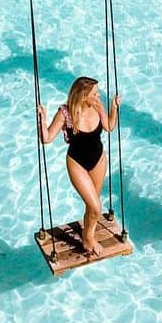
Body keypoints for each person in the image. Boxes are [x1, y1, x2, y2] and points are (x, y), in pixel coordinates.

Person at [39, 76, 121, 256]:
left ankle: (87, 236)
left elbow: (109, 126)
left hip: (99, 160)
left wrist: (114, 108)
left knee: (92, 206)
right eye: (95, 93)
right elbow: (46, 138)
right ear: (84, 95)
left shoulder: (97, 106)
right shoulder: (65, 113)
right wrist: (42, 120)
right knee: (96, 206)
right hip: (77, 163)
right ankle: (89, 238)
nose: (98, 96)